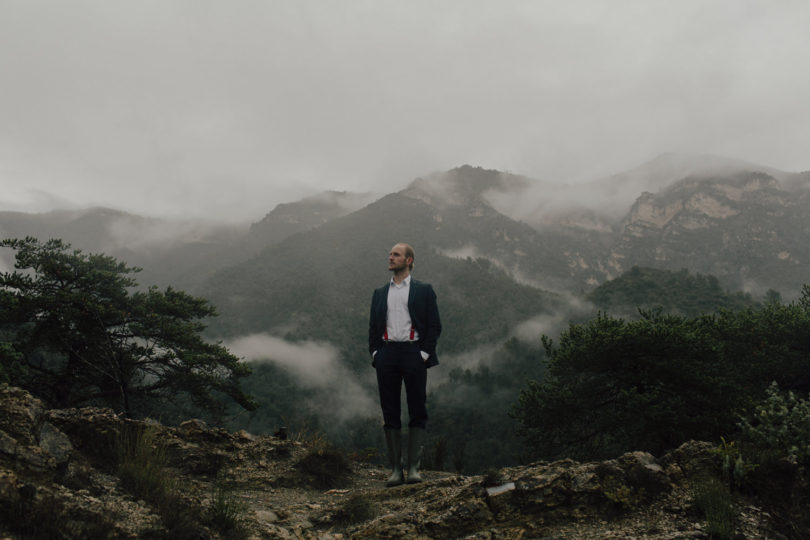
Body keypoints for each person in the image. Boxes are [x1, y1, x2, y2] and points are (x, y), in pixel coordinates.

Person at [369, 242, 441, 486]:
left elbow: (434, 326)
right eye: (390, 254)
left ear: (409, 260)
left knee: (417, 407)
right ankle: (395, 471)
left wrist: (423, 354)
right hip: (387, 353)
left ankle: (413, 469)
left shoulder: (423, 290)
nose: (390, 257)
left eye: (396, 255)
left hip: (413, 353)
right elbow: (373, 327)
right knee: (390, 410)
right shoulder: (379, 293)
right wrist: (375, 354)